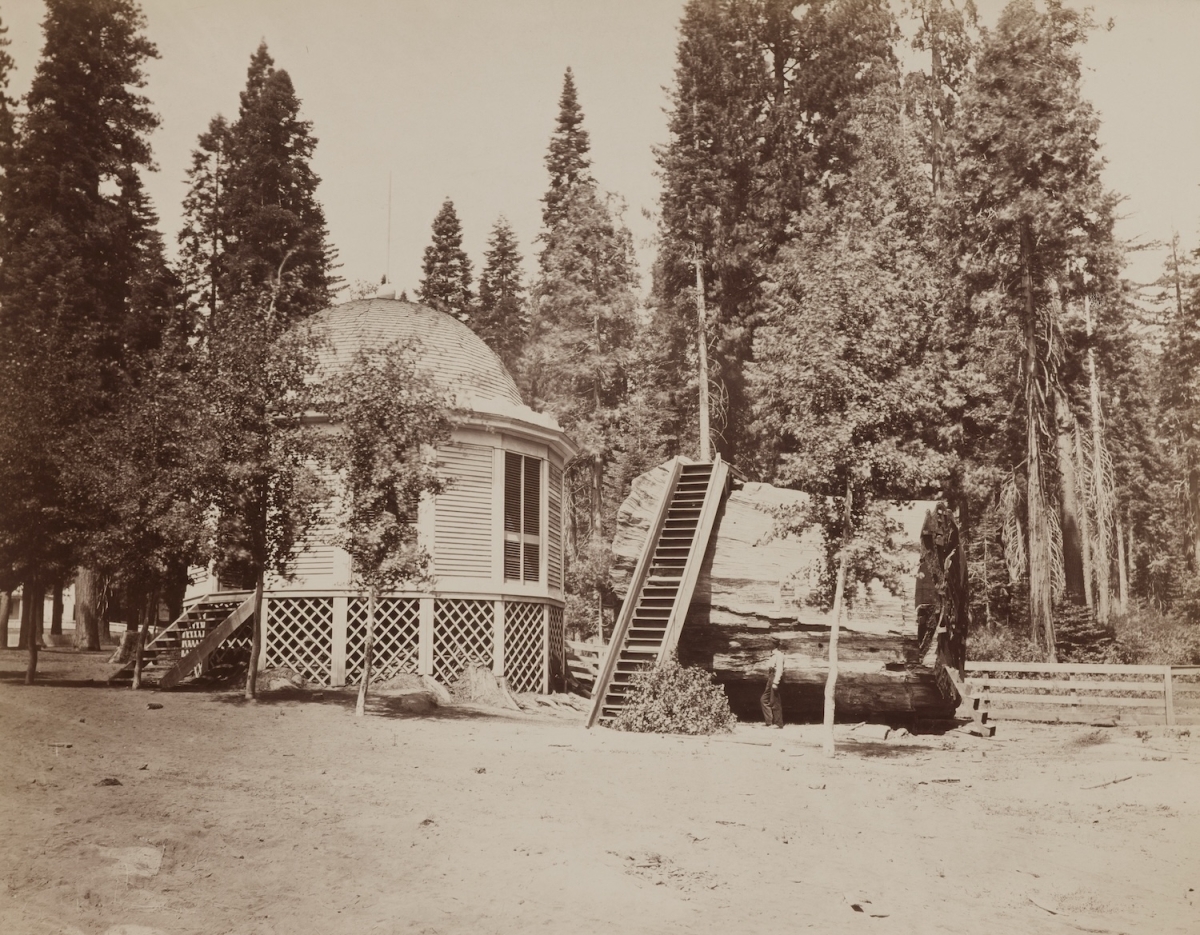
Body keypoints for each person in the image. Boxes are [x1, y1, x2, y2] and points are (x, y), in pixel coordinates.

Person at [760, 639, 784, 728]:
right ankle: (769, 722)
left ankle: (778, 723)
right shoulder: (772, 654)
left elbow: (780, 669)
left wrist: (776, 682)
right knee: (764, 699)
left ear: (774, 644)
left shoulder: (779, 655)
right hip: (770, 677)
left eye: (770, 643)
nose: (768, 644)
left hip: (774, 677)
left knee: (775, 701)